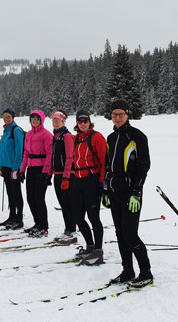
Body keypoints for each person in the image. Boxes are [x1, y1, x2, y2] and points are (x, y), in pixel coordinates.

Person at [104, 99, 153, 287]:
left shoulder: (137, 136)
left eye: (121, 114)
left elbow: (144, 166)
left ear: (127, 115)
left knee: (130, 234)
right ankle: (127, 270)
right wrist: (106, 190)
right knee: (119, 233)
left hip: (131, 192)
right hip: (114, 190)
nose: (117, 118)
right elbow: (108, 166)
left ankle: (146, 272)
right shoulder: (111, 138)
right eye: (114, 114)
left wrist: (137, 192)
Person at [71, 109, 106, 265]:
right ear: (77, 123)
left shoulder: (97, 137)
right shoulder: (76, 138)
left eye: (85, 121)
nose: (83, 124)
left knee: (93, 217)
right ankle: (89, 245)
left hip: (92, 180)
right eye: (80, 121)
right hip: (77, 180)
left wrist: (102, 182)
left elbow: (105, 161)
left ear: (89, 122)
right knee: (78, 216)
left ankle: (98, 249)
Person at [19, 110, 53, 238]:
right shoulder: (28, 134)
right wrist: (22, 170)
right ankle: (37, 223)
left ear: (42, 120)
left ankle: (43, 226)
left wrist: (46, 172)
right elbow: (26, 153)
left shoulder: (46, 135)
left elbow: (50, 154)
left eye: (37, 118)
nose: (34, 120)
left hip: (41, 169)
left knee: (39, 198)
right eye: (32, 118)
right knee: (30, 198)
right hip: (31, 169)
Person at [49, 110, 77, 244]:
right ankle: (68, 229)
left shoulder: (66, 136)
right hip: (57, 175)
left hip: (67, 176)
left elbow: (70, 157)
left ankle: (72, 230)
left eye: (57, 120)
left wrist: (66, 177)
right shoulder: (55, 137)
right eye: (53, 120)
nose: (55, 122)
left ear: (63, 121)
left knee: (68, 204)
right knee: (63, 204)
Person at [0, 108, 25, 229]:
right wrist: (1, 165)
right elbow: (3, 150)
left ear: (13, 117)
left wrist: (16, 167)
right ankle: (12, 216)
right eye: (4, 116)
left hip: (14, 167)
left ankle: (19, 218)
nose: (6, 118)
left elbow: (19, 150)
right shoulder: (6, 130)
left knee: (16, 192)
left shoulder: (16, 130)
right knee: (10, 192)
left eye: (8, 116)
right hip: (6, 167)